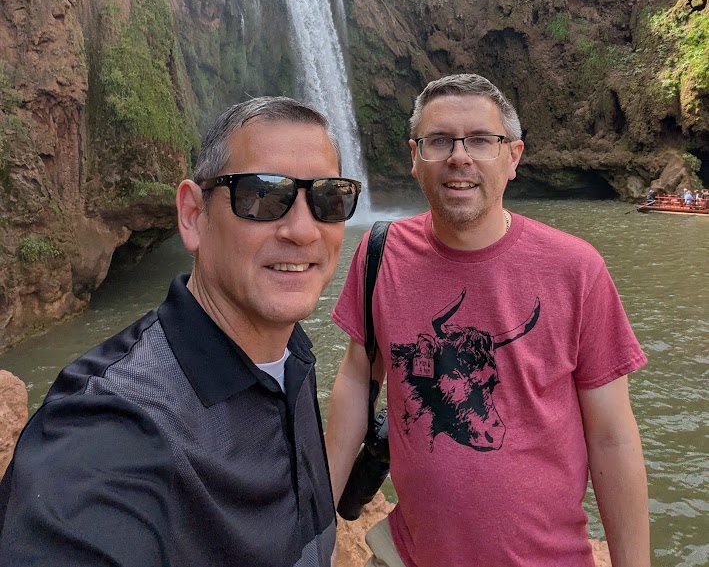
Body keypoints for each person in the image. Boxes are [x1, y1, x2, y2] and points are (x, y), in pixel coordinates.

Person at [0, 96, 362, 567]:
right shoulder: (113, 428)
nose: (304, 231)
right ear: (193, 215)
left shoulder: (292, 353)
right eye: (262, 196)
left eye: (329, 198)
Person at [327, 74, 649, 567]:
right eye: (439, 141)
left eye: (480, 140)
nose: (459, 156)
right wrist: (318, 519)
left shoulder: (576, 269)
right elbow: (356, 378)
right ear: (414, 157)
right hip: (406, 556)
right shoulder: (379, 253)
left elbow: (612, 436)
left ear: (513, 157)